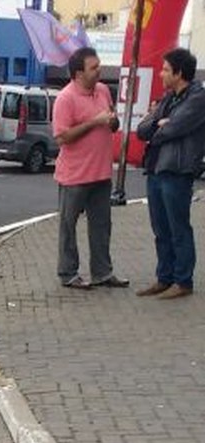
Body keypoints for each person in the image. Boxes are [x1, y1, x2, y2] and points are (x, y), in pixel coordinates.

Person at [52, 47, 127, 289]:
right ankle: (68, 273)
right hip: (74, 176)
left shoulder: (104, 90)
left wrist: (112, 121)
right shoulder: (65, 98)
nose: (99, 71)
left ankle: (102, 273)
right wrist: (94, 122)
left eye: (99, 65)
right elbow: (62, 137)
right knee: (68, 226)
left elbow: (112, 123)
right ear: (77, 73)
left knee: (102, 226)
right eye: (93, 68)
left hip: (101, 173)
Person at [136, 47, 205, 299]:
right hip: (155, 168)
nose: (161, 74)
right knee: (160, 229)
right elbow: (142, 129)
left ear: (179, 73)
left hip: (177, 170)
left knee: (178, 228)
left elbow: (174, 128)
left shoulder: (198, 98)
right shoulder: (168, 98)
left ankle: (182, 280)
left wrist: (161, 125)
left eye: (166, 69)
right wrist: (158, 122)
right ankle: (164, 278)